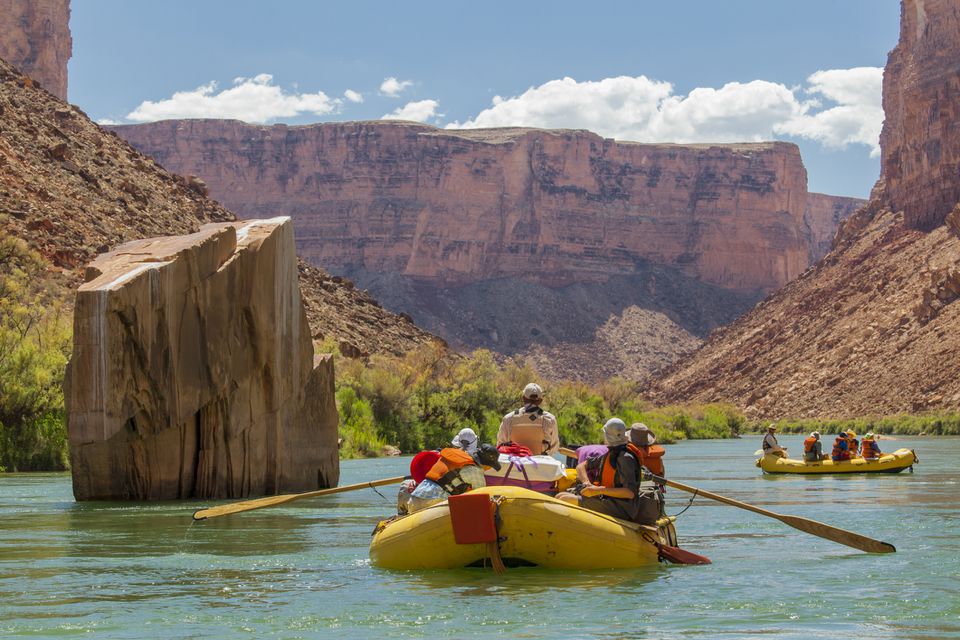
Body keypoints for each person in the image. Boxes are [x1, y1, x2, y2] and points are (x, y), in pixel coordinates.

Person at [557, 419, 661, 525]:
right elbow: (581, 466)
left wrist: (598, 490)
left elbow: (629, 493)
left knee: (566, 499)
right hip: (608, 500)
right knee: (560, 496)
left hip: (623, 509)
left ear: (607, 436)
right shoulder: (610, 453)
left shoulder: (626, 458)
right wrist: (586, 483)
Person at [406, 444, 502, 513]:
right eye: (490, 467)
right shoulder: (476, 472)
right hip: (432, 504)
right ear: (486, 465)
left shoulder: (456, 457)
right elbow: (481, 502)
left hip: (414, 499)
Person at [497, 383, 559, 455]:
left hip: (515, 463)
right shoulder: (550, 419)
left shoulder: (508, 418)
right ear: (540, 401)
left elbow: (501, 444)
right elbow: (554, 447)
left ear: (523, 398)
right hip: (540, 463)